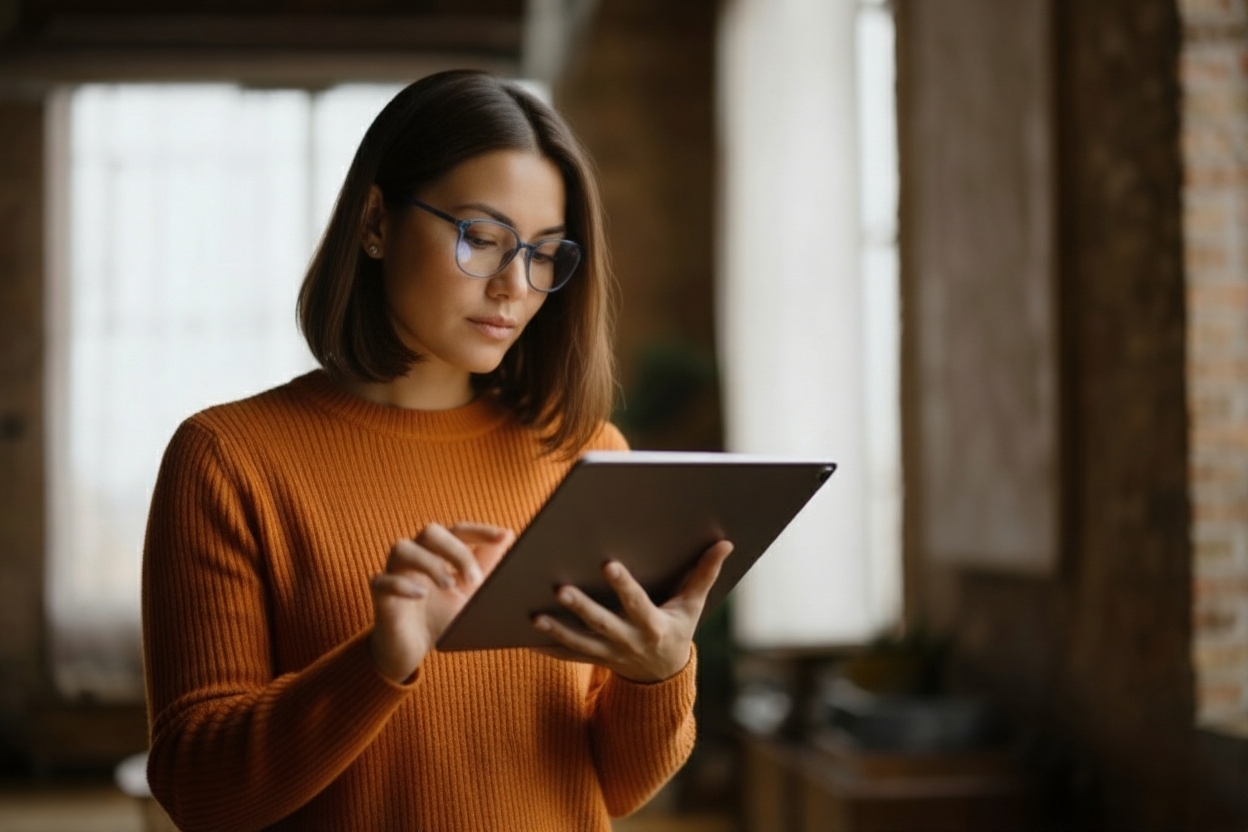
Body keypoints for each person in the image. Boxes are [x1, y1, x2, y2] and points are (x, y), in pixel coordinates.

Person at [141, 69, 733, 832]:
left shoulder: (584, 454)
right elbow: (199, 793)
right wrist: (380, 662)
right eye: (481, 240)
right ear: (376, 223)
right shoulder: (228, 460)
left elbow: (609, 790)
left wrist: (658, 676)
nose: (515, 286)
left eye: (545, 253)